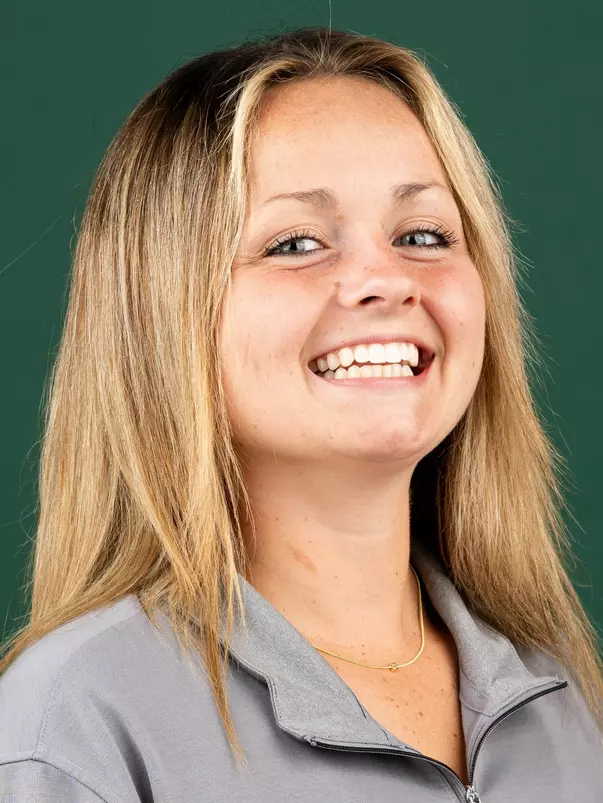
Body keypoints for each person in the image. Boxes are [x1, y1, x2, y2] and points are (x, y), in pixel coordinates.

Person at [0, 26, 602, 803]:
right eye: (294, 243)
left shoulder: (563, 698)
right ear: (161, 315)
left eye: (422, 234)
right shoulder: (74, 726)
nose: (384, 280)